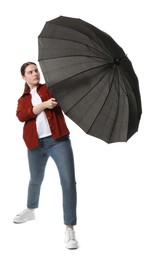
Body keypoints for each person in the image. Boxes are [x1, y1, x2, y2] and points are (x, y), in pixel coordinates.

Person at [13, 62, 78, 249]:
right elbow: (21, 115)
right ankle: (31, 209)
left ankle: (70, 228)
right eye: (30, 72)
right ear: (23, 77)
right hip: (35, 145)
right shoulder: (23, 99)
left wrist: (55, 100)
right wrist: (44, 105)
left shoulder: (50, 87)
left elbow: (65, 93)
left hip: (58, 141)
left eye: (36, 71)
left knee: (68, 182)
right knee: (35, 179)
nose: (35, 74)